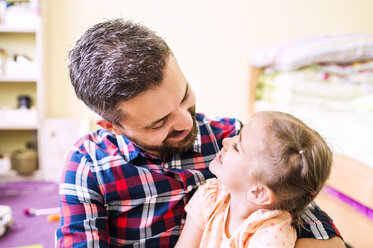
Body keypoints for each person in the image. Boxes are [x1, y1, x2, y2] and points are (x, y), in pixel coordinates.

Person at [56, 19, 345, 248]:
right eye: (159, 123)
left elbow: (295, 201)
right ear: (112, 126)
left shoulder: (229, 136)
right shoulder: (89, 167)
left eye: (184, 97)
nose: (184, 123)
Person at [176, 111, 333, 248]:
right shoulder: (209, 196)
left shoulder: (272, 232)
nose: (225, 141)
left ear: (258, 193)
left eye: (237, 147)